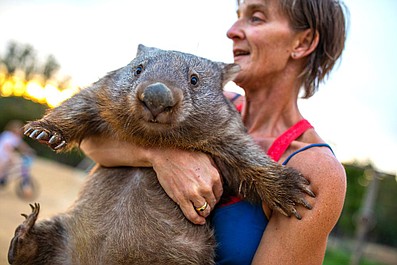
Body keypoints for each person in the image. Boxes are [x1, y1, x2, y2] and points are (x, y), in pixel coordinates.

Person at [81, 0, 348, 264]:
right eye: (238, 16)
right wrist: (161, 156)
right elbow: (89, 140)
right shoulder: (197, 105)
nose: (232, 30)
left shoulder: (315, 168)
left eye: (256, 17)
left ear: (302, 42)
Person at [0, 120, 36, 197]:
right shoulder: (8, 135)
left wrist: (29, 151)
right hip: (2, 154)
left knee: (12, 164)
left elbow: (22, 146)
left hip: (6, 155)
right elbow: (6, 146)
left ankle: (3, 178)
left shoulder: (16, 137)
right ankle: (2, 178)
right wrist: (11, 155)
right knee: (5, 166)